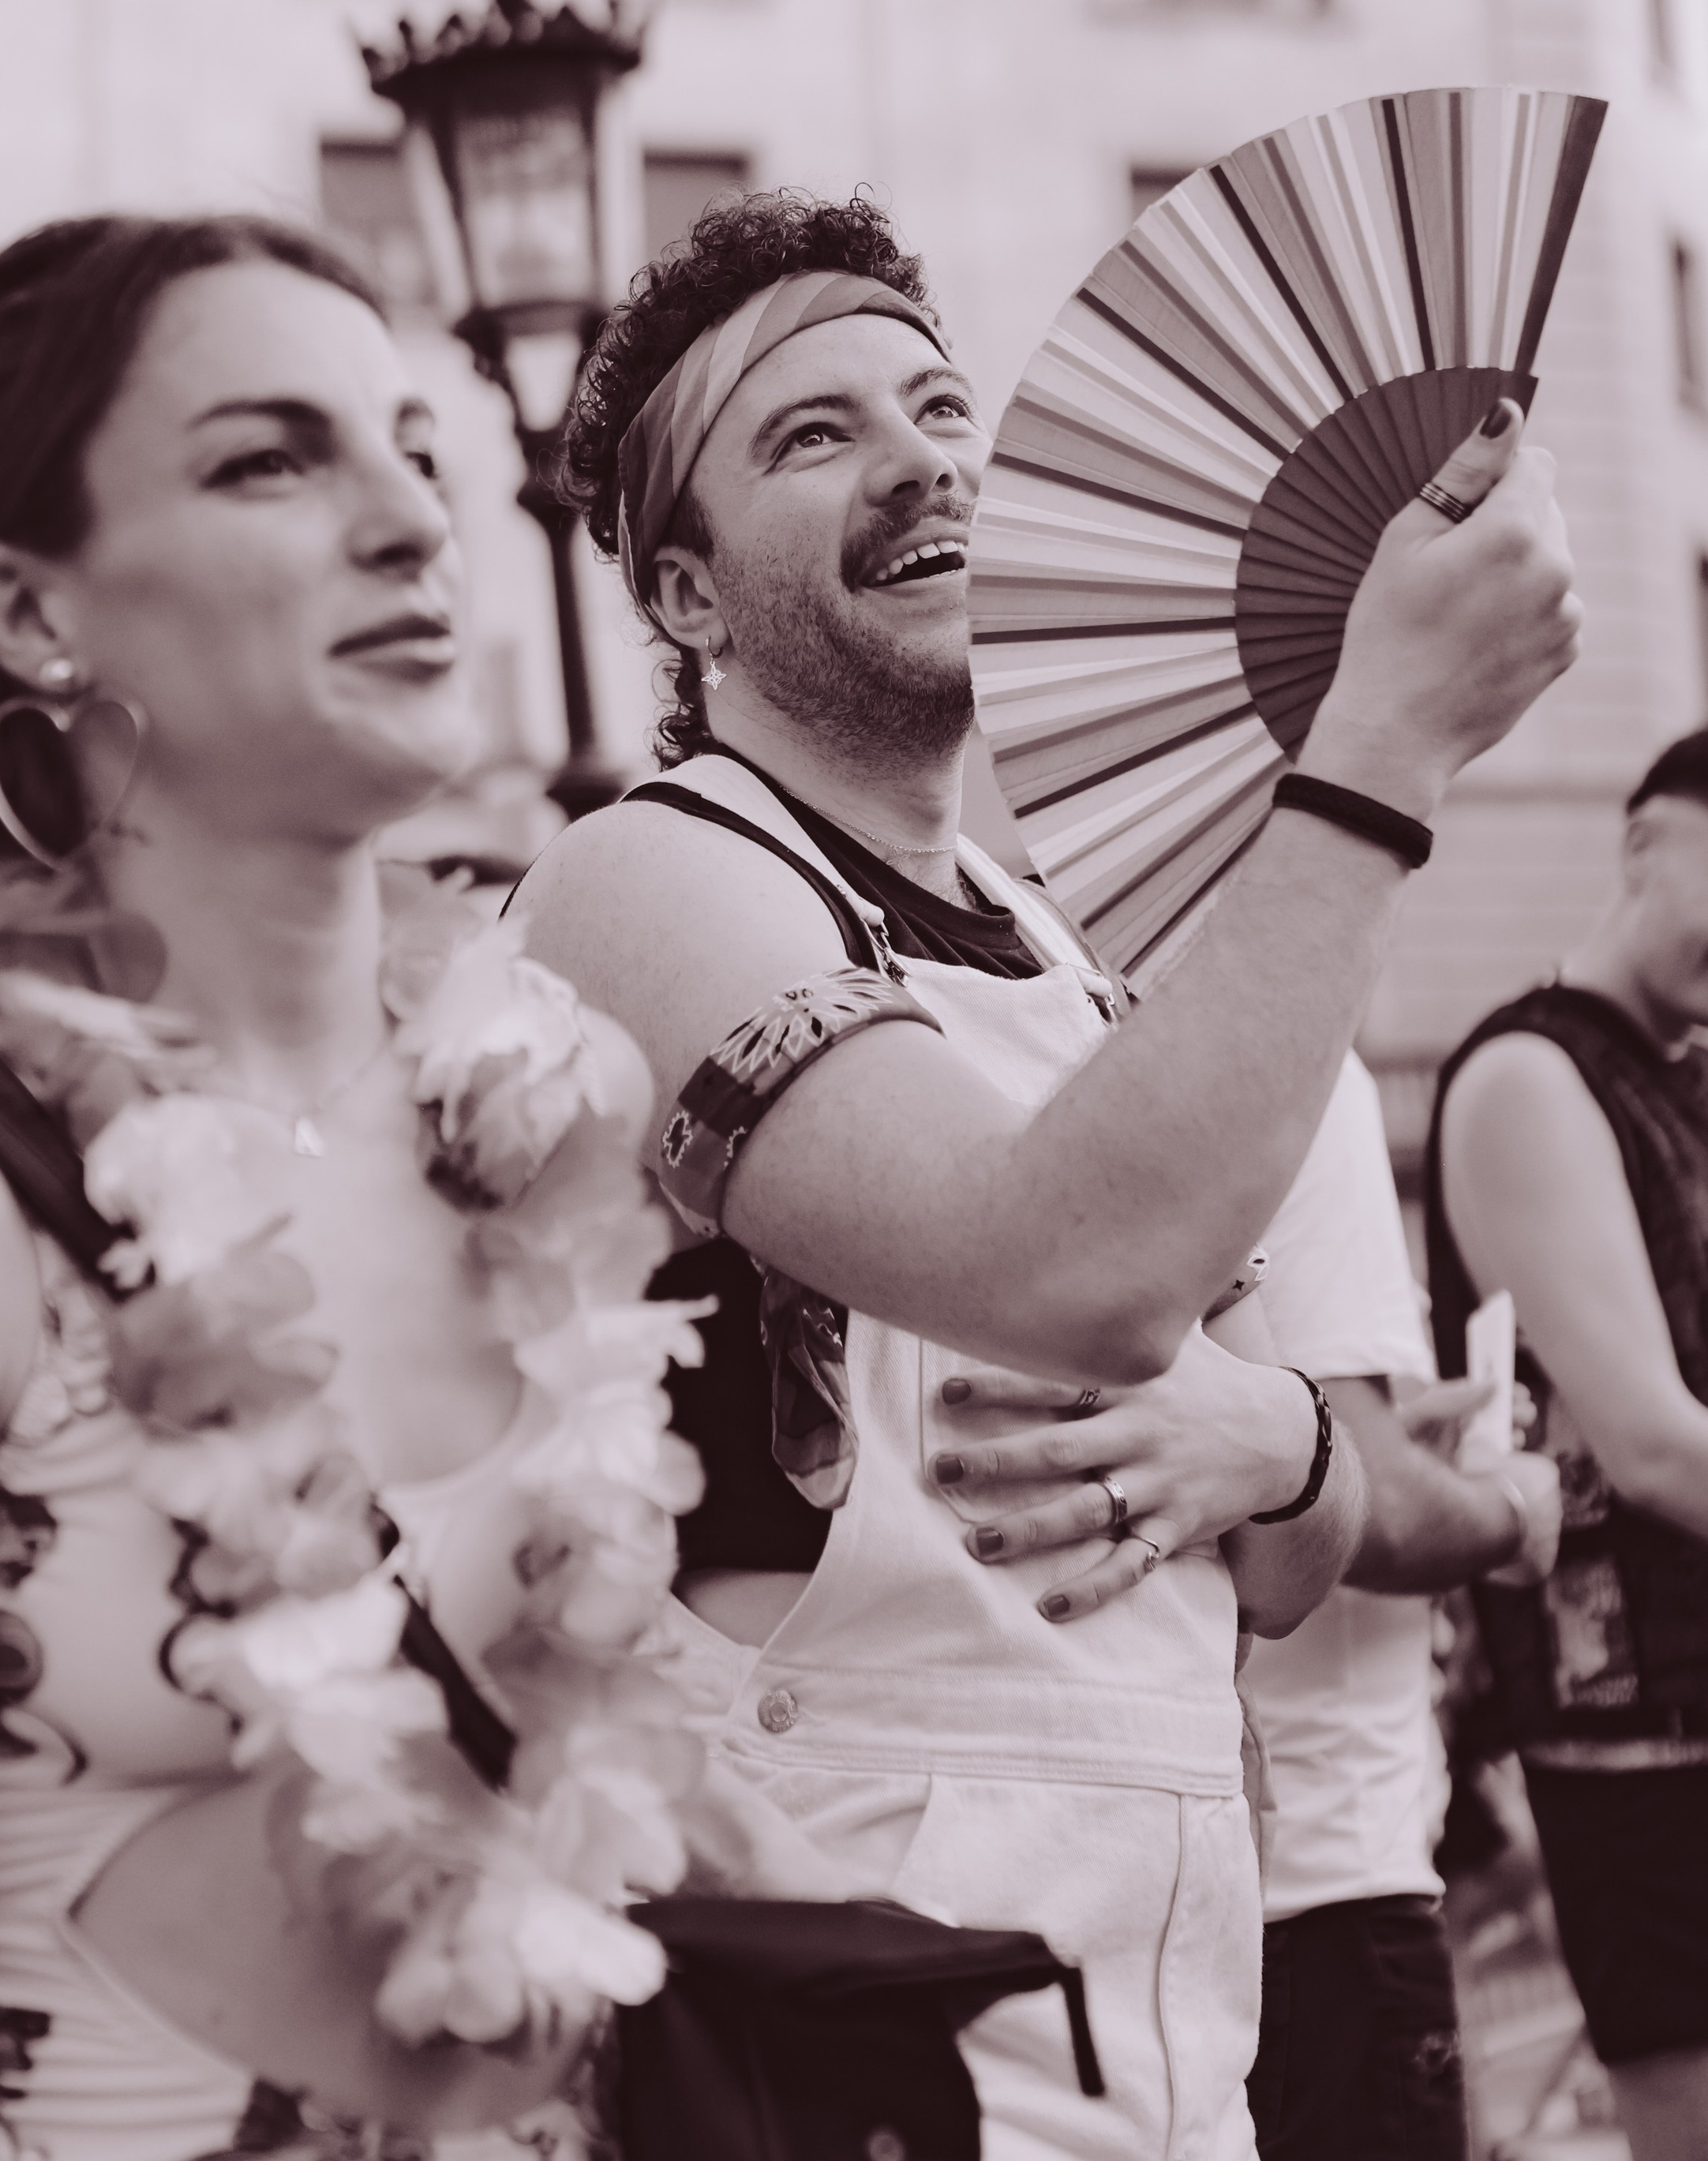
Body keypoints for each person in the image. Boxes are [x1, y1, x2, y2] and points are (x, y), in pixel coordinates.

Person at [512, 189, 1581, 2157]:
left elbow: (1286, 1556)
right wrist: (1383, 745)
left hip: (1170, 2018)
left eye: (936, 407)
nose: (921, 453)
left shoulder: (1069, 947)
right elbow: (1071, 1268)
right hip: (833, 2001)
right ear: (679, 596)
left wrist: (1275, 1439)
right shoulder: (647, 875)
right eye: (809, 430)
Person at [0, 215, 715, 2160]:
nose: (417, 522)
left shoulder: (543, 1132)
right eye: (272, 458)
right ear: (28, 611)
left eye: (415, 447)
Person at [1429, 728, 1708, 2161]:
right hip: (1646, 1738)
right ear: (1650, 838)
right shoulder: (1530, 1077)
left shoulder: (1687, 1076)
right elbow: (1656, 1447)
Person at [1242, 1051, 1562, 2161]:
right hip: (1324, 1868)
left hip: (1218, 1857)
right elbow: (1364, 1524)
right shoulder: (1304, 1074)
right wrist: (1514, 1506)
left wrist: (1375, 1455)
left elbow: (1298, 1457)